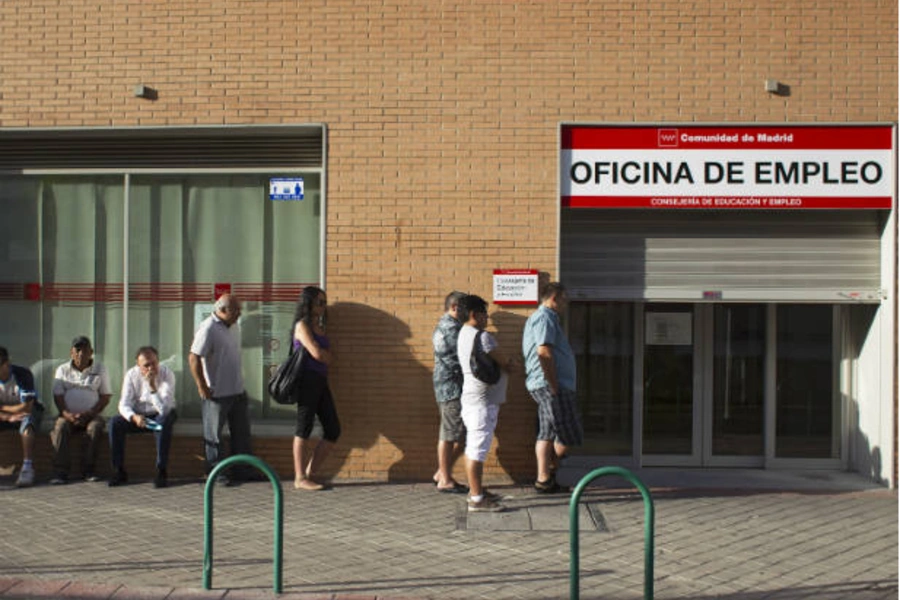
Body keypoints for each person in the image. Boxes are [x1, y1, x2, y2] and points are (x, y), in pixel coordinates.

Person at [456, 294, 515, 512]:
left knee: (473, 449)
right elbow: (506, 362)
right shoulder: (483, 338)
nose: (487, 318)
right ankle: (477, 499)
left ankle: (476, 491)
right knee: (477, 451)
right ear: (474, 314)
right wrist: (512, 364)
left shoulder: (462, 334)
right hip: (482, 403)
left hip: (471, 399)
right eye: (484, 313)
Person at [522, 282, 583, 494]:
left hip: (548, 385)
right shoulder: (545, 317)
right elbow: (544, 352)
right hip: (551, 386)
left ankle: (544, 479)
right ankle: (549, 472)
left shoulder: (546, 319)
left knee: (546, 432)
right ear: (554, 298)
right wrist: (554, 386)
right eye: (564, 299)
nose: (566, 304)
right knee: (566, 435)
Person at [189, 293, 253, 486]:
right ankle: (216, 473)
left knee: (241, 434)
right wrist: (201, 385)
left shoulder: (233, 327)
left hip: (237, 390)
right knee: (214, 436)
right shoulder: (208, 328)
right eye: (236, 311)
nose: (239, 314)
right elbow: (193, 357)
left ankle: (242, 471)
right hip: (216, 393)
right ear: (223, 310)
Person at [290, 286, 341, 491]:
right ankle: (299, 477)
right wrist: (326, 356)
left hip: (320, 381)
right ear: (308, 303)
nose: (323, 306)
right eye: (320, 302)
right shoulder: (302, 326)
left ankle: (310, 474)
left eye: (324, 302)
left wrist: (326, 355)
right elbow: (318, 354)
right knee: (303, 428)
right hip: (306, 381)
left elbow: (325, 355)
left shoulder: (318, 326)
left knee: (333, 429)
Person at [108, 346, 178, 488]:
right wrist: (134, 417)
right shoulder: (131, 375)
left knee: (163, 423)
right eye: (146, 365)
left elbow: (164, 409)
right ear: (138, 366)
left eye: (154, 363)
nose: (151, 368)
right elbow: (123, 404)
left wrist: (152, 387)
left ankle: (161, 470)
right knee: (114, 423)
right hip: (139, 416)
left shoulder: (167, 374)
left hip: (159, 413)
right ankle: (118, 470)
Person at [50, 336, 112, 484]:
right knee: (60, 426)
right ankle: (60, 472)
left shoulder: (100, 368)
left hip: (92, 414)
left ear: (91, 352)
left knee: (96, 427)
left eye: (85, 350)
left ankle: (89, 470)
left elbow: (105, 396)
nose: (80, 354)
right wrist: (67, 414)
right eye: (77, 350)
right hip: (68, 414)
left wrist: (90, 413)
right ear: (71, 353)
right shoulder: (62, 370)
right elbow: (57, 396)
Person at [431, 291, 468, 494]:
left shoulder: (452, 327)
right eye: (464, 308)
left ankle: (441, 473)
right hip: (451, 387)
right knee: (450, 434)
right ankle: (444, 479)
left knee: (459, 434)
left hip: (452, 386)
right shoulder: (450, 329)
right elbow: (460, 359)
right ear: (454, 307)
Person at [0, 347, 43, 487]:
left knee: (27, 422)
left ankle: (27, 467)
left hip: (28, 411)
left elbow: (27, 406)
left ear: (7, 363)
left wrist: (3, 408)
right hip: (6, 415)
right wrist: (7, 416)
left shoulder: (22, 374)